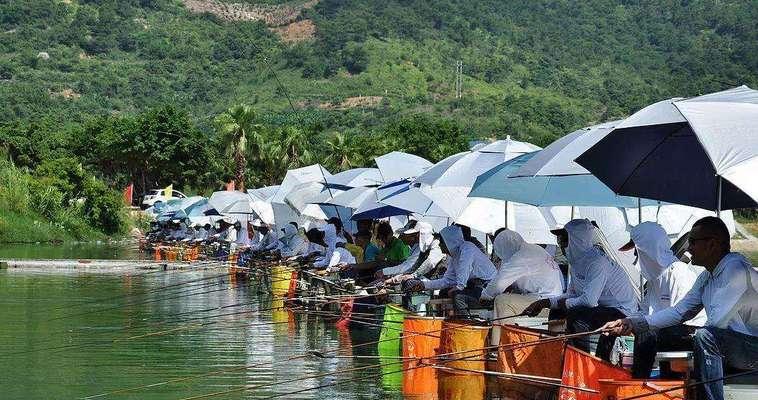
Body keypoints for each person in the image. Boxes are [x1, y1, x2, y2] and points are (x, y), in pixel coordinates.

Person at [603, 217, 757, 400]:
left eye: (693, 242)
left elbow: (716, 324)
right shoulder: (707, 275)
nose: (688, 248)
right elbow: (679, 312)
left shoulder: (735, 269)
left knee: (704, 336)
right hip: (729, 343)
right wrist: (632, 323)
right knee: (659, 333)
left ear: (712, 244)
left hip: (751, 347)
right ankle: (653, 391)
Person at [522, 219, 638, 361]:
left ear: (577, 241)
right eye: (560, 242)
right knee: (557, 310)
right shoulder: (577, 262)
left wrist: (564, 304)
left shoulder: (597, 262)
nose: (562, 247)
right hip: (602, 307)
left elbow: (588, 301)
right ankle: (556, 355)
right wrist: (544, 303)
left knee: (577, 317)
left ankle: (582, 362)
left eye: (564, 242)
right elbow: (572, 294)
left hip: (622, 311)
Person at [620, 222, 706, 378]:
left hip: (691, 331)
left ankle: (639, 382)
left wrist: (639, 325)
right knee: (643, 331)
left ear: (647, 250)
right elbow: (645, 312)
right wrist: (624, 322)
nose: (634, 256)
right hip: (668, 331)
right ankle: (637, 379)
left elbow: (678, 316)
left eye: (636, 251)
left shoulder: (677, 273)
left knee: (647, 333)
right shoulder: (655, 277)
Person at [480, 230, 564, 343]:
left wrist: (485, 296)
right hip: (550, 295)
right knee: (504, 299)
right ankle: (502, 341)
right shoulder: (532, 249)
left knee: (503, 301)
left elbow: (499, 283)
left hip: (545, 300)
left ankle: (501, 344)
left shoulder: (522, 255)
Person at [405, 225, 497, 316]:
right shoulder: (454, 256)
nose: (440, 245)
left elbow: (463, 272)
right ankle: (443, 320)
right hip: (474, 285)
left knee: (459, 297)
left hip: (487, 287)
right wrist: (423, 285)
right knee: (444, 292)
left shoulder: (467, 248)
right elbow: (447, 281)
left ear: (449, 241)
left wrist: (459, 287)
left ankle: (465, 323)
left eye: (442, 242)